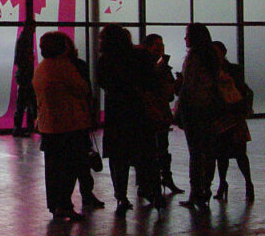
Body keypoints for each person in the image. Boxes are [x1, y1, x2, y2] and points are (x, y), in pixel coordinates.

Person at [97, 24, 157, 215]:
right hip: (138, 110)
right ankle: (149, 189)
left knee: (118, 157)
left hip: (116, 112)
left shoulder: (105, 60)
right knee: (144, 153)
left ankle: (120, 194)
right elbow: (150, 81)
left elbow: (103, 83)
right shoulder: (140, 56)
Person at [32, 31, 91, 222]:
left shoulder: (41, 68)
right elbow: (82, 89)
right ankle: (65, 204)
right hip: (70, 124)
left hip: (48, 125)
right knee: (70, 167)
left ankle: (55, 205)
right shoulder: (63, 67)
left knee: (53, 169)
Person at [176, 23, 222, 211]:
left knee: (195, 152)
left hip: (193, 109)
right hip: (210, 107)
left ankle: (196, 191)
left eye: (187, 35)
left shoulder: (194, 57)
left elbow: (189, 85)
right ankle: (206, 188)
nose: (185, 39)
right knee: (208, 150)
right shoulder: (213, 55)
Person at [212, 41, 255, 203]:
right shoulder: (234, 70)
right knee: (226, 154)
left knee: (235, 153)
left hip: (229, 116)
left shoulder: (216, 72)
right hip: (229, 115)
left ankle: (230, 184)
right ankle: (236, 183)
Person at [66, 38, 105, 210]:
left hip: (67, 121)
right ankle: (87, 195)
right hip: (80, 119)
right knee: (83, 161)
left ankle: (67, 200)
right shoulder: (79, 65)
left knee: (69, 164)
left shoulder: (58, 68)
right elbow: (86, 90)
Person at [143, 34, 183, 194]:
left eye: (161, 44)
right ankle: (163, 179)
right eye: (157, 45)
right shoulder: (158, 68)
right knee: (160, 148)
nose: (160, 48)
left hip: (156, 113)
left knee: (160, 148)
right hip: (157, 112)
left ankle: (154, 182)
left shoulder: (157, 68)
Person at [13, 26, 36, 137]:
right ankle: (31, 126)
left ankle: (18, 128)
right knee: (29, 102)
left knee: (22, 103)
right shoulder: (25, 40)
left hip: (23, 75)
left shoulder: (22, 39)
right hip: (26, 75)